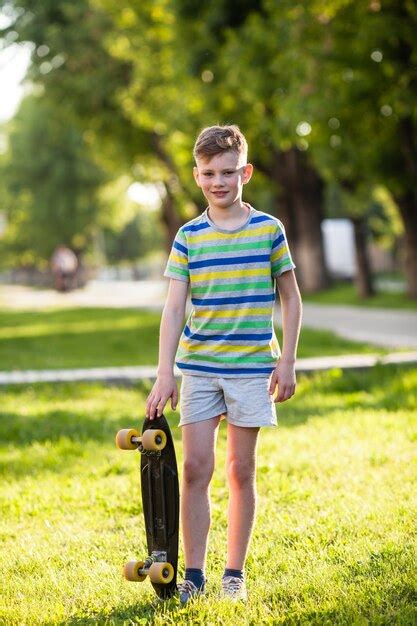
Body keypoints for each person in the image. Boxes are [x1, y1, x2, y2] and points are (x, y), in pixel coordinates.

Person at [145, 125, 302, 603]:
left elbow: (291, 301)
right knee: (195, 468)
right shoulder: (189, 235)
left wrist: (288, 361)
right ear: (197, 176)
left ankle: (234, 573)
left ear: (245, 172)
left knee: (240, 470)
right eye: (209, 173)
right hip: (201, 368)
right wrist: (164, 371)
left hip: (253, 368)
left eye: (228, 172)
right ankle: (194, 575)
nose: (219, 181)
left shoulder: (268, 230)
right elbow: (174, 308)